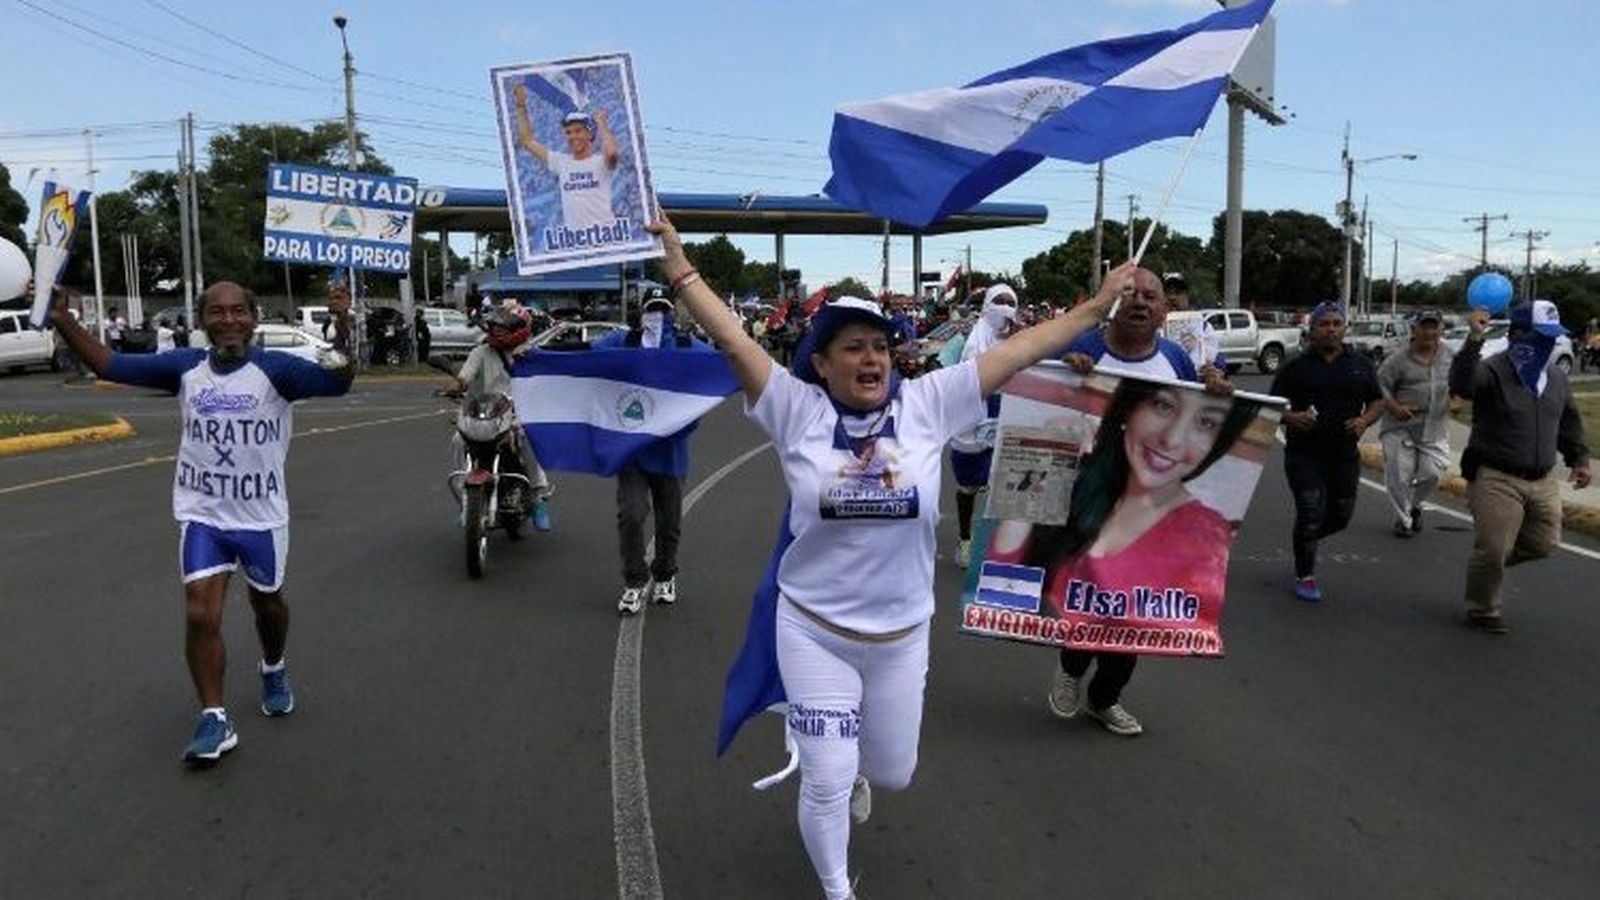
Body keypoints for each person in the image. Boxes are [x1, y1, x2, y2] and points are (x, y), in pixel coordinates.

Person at [651, 214, 1126, 900]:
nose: (872, 358)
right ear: (821, 363)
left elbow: (1022, 350)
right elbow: (731, 337)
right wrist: (678, 266)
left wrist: (1095, 306)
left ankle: (851, 766)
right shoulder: (795, 410)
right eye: (853, 347)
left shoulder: (931, 402)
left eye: (880, 345)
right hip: (812, 630)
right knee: (825, 779)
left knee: (893, 772)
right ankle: (837, 885)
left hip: (901, 636)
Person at [46, 280, 353, 766]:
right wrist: (63, 319)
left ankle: (273, 665)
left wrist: (342, 322)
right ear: (202, 320)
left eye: (238, 311)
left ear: (253, 318)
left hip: (261, 518)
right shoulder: (185, 367)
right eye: (217, 312)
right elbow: (108, 364)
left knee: (268, 604)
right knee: (200, 614)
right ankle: (214, 717)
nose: (228, 320)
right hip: (202, 514)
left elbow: (339, 381)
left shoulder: (278, 371)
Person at [1043, 266, 1232, 736]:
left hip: (1150, 507)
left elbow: (1197, 420)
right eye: (1131, 293)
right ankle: (1070, 667)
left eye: (1151, 296)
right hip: (1087, 499)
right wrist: (1065, 373)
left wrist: (1217, 394)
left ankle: (1104, 699)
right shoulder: (1081, 347)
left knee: (1133, 613)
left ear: (1165, 310)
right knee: (1091, 602)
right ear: (1113, 300)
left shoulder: (1176, 359)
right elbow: (1043, 412)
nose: (1141, 302)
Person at [988, 378, 1261, 665]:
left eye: (1206, 423)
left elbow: (1188, 619)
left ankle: (1094, 689)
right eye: (1163, 405)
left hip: (1120, 650)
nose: (1172, 439)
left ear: (1218, 442)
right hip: (1065, 641)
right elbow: (999, 590)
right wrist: (1041, 455)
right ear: (1130, 408)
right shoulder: (1077, 480)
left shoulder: (1205, 534)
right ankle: (1069, 677)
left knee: (1113, 672)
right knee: (1074, 663)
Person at [1449, 300, 1590, 634]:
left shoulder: (1556, 377)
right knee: (1494, 548)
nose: (1548, 343)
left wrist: (1579, 459)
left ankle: (1487, 566)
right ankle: (1483, 608)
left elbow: (1568, 421)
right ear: (1517, 335)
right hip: (1496, 475)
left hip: (1543, 478)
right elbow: (1463, 385)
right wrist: (1474, 340)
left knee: (1544, 543)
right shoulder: (1493, 370)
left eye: (1552, 337)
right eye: (1541, 336)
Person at [592, 287, 710, 614]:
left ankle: (665, 575)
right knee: (631, 515)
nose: (657, 315)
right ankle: (634, 581)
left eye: (662, 309)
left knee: (669, 522)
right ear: (642, 313)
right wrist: (536, 354)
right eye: (652, 309)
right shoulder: (626, 341)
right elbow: (587, 354)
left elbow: (722, 361)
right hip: (632, 450)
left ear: (671, 313)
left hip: (671, 451)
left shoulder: (686, 345)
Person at [1269, 302, 1385, 603]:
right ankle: (1305, 574)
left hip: (1344, 456)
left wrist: (1364, 421)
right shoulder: (1295, 366)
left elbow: (1377, 402)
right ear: (1312, 329)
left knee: (1340, 516)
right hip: (1304, 455)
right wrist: (1292, 417)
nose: (1331, 329)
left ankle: (1305, 539)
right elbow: (1271, 407)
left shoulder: (1360, 364)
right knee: (1310, 512)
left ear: (1345, 328)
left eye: (1336, 323)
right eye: (1324, 324)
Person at [447, 307, 553, 531]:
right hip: (486, 413)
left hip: (518, 414)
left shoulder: (531, 353)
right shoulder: (481, 352)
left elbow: (544, 380)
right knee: (458, 439)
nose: (497, 331)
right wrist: (457, 385)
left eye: (503, 327)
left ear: (518, 329)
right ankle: (465, 498)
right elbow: (465, 376)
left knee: (529, 439)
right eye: (495, 326)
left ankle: (538, 497)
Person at [947, 284, 1018, 568]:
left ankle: (999, 546)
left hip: (1008, 412)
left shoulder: (1020, 337)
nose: (1005, 308)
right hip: (973, 416)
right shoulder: (970, 341)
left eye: (1010, 303)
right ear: (987, 305)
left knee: (1007, 484)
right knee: (968, 486)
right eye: (999, 301)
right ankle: (964, 538)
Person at [1375, 310, 1454, 537]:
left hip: (1434, 426)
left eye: (1434, 327)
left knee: (1433, 474)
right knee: (1399, 478)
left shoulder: (1449, 354)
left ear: (1441, 329)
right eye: (1424, 327)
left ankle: (1413, 505)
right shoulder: (1398, 359)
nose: (1429, 332)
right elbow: (1379, 385)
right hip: (1399, 426)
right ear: (1414, 330)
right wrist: (1395, 407)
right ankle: (1405, 521)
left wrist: (1457, 398)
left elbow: (1462, 378)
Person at [512, 82, 621, 235]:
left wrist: (602, 124)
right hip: (576, 240)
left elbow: (612, 154)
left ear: (589, 134)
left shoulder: (600, 161)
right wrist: (521, 106)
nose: (572, 136)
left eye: (578, 131)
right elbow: (527, 141)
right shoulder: (561, 162)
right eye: (568, 132)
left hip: (606, 236)